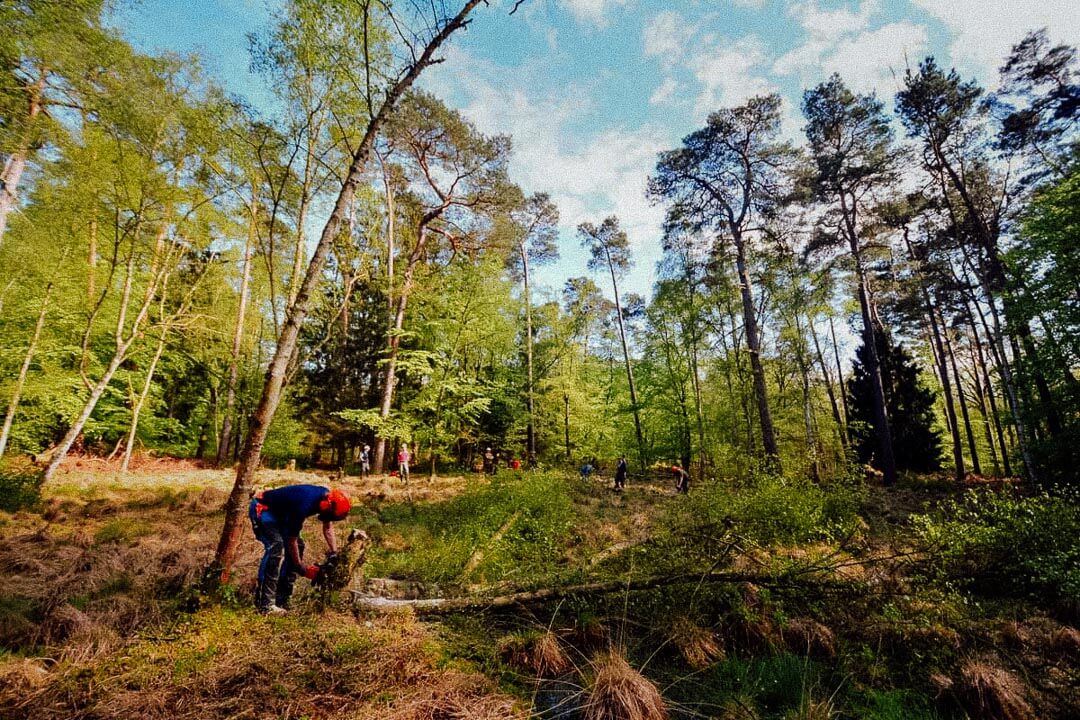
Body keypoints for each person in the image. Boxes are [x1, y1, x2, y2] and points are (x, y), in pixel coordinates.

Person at [249, 484, 351, 614]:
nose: (329, 517)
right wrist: (301, 567)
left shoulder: (326, 496)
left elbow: (328, 527)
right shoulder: (303, 504)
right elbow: (291, 541)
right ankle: (265, 603)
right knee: (276, 546)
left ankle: (282, 598)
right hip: (263, 509)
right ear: (328, 505)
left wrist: (334, 552)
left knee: (299, 545)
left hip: (281, 514)